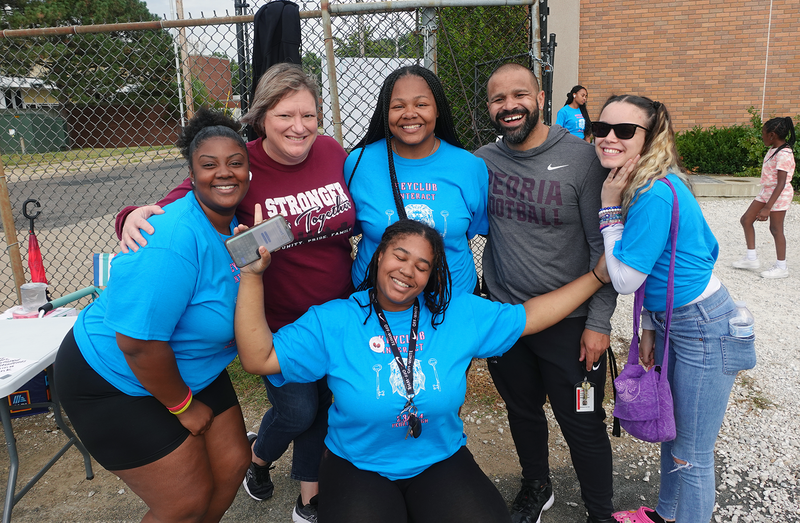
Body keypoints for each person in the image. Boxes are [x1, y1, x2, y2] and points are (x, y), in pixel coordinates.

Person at [234, 217, 611, 523]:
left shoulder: (456, 314)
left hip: (439, 458)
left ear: (431, 276)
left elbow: (531, 316)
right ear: (379, 256)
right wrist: (251, 276)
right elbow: (258, 358)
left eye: (422, 266)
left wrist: (596, 277)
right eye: (399, 256)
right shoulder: (335, 320)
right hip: (358, 465)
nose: (407, 271)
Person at [115, 63, 356, 522]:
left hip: (336, 312)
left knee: (328, 400)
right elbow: (176, 203)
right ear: (261, 117)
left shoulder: (331, 152)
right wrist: (129, 216)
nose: (299, 127)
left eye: (309, 115)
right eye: (285, 115)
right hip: (278, 321)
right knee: (298, 410)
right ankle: (259, 458)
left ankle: (310, 493)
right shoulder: (240, 163)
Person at [54, 109, 251, 523]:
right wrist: (183, 406)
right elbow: (137, 344)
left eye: (235, 163)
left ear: (249, 171)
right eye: (209, 165)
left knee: (233, 465)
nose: (224, 173)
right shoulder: (171, 238)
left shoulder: (234, 223)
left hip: (190, 365)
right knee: (185, 502)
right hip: (113, 375)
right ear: (191, 175)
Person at [595, 95, 756, 523]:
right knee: (671, 433)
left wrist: (609, 209)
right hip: (677, 321)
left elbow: (625, 279)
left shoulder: (652, 193)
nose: (609, 138)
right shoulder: (651, 181)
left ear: (649, 137)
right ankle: (664, 516)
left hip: (704, 325)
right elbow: (672, 262)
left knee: (692, 454)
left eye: (624, 130)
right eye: (601, 128)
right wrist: (651, 326)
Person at [475, 63, 617, 523]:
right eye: (498, 99)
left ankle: (600, 513)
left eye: (519, 95)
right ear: (489, 108)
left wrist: (599, 323)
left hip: (570, 323)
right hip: (509, 318)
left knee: (583, 421)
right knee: (522, 411)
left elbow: (605, 251)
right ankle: (537, 485)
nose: (509, 106)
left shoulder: (583, 159)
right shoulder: (482, 161)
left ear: (540, 99)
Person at [344, 65, 488, 295]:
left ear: (438, 110)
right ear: (385, 112)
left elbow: (472, 229)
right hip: (374, 298)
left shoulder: (470, 167)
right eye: (398, 106)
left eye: (421, 104)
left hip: (454, 299)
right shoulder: (358, 163)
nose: (409, 113)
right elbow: (352, 227)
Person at [732, 116, 796, 278]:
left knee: (776, 229)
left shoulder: (784, 154)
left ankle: (782, 267)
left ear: (772, 135)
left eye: (763, 133)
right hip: (767, 191)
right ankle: (751, 258)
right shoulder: (775, 149)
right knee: (746, 220)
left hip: (779, 194)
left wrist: (767, 208)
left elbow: (781, 184)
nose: (762, 136)